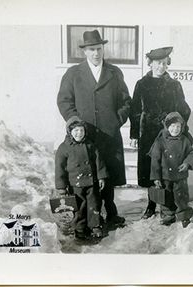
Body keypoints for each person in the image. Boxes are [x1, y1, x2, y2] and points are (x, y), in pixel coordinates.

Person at [57, 30, 130, 229]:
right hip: (83, 136)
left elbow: (125, 101)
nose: (96, 53)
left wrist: (117, 120)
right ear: (85, 52)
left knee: (108, 175)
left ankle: (111, 213)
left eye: (98, 49)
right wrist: (74, 124)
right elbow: (64, 101)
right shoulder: (73, 74)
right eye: (92, 50)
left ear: (102, 49)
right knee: (86, 178)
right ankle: (87, 220)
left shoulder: (114, 72)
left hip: (109, 135)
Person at [129, 46, 191, 219]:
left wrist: (177, 127)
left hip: (168, 135)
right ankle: (150, 205)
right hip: (148, 133)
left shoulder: (174, 85)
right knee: (151, 168)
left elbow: (184, 110)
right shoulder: (142, 84)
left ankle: (168, 206)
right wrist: (134, 134)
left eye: (164, 63)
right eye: (157, 63)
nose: (161, 67)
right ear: (150, 64)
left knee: (167, 168)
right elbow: (134, 110)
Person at [55, 117, 107, 243]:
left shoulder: (90, 145)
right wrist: (61, 187)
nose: (79, 133)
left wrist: (101, 177)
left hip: (91, 182)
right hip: (75, 184)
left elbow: (98, 162)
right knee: (79, 207)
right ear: (69, 132)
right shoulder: (64, 148)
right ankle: (79, 229)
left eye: (81, 131)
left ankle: (95, 226)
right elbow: (59, 169)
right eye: (76, 131)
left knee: (94, 204)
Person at [149, 112, 193, 228]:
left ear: (182, 128)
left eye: (178, 127)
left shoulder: (184, 140)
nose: (175, 129)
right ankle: (168, 215)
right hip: (166, 176)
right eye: (172, 126)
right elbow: (155, 161)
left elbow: (191, 153)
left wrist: (186, 163)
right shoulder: (160, 142)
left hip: (180, 176)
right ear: (167, 127)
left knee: (182, 197)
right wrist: (156, 178)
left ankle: (184, 216)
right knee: (166, 197)